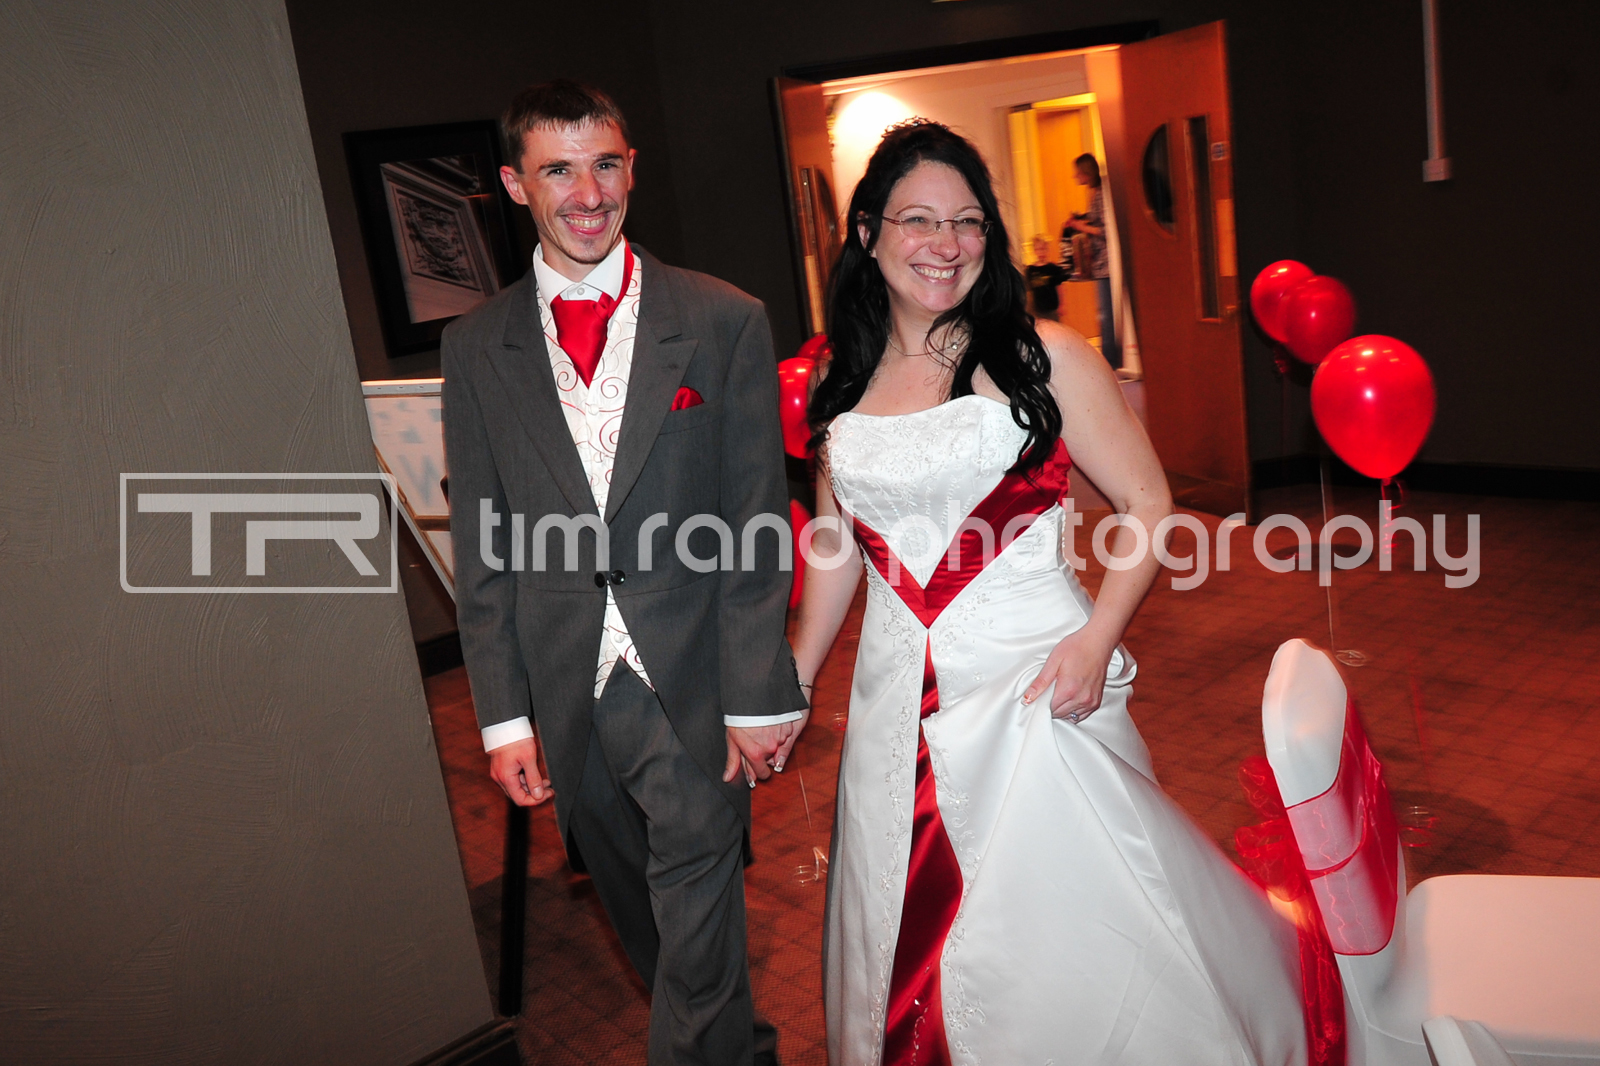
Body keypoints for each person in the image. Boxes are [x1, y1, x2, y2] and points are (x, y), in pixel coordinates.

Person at [796, 121, 1306, 1065]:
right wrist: (793, 676)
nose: (946, 244)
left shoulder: (1045, 355)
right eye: (918, 220)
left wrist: (1097, 639)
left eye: (968, 221)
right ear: (868, 232)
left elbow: (1149, 503)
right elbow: (837, 545)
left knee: (1064, 929)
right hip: (890, 698)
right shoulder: (841, 374)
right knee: (897, 903)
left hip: (1036, 684)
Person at [442, 80, 807, 1066]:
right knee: (649, 918)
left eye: (605, 164)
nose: (588, 193)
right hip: (566, 682)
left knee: (693, 892)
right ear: (515, 184)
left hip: (692, 678)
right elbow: (485, 545)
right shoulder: (474, 347)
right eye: (559, 170)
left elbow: (755, 520)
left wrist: (756, 689)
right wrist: (505, 718)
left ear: (631, 168)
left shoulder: (723, 318)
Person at [1062, 152, 1121, 368]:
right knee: (1104, 312)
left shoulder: (1101, 194)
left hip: (1107, 263)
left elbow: (1106, 229)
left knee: (1106, 313)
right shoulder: (1096, 192)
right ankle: (1110, 357)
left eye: (1078, 172)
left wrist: (1080, 226)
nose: (1075, 176)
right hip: (1101, 264)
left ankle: (1110, 359)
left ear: (1086, 172)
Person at [1022, 234, 1067, 322]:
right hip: (1037, 309)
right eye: (1038, 249)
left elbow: (1060, 287)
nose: (1041, 252)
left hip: (1052, 308)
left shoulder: (1053, 268)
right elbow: (1029, 291)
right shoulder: (1030, 270)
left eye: (1043, 249)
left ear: (1047, 249)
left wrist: (1062, 305)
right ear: (1034, 251)